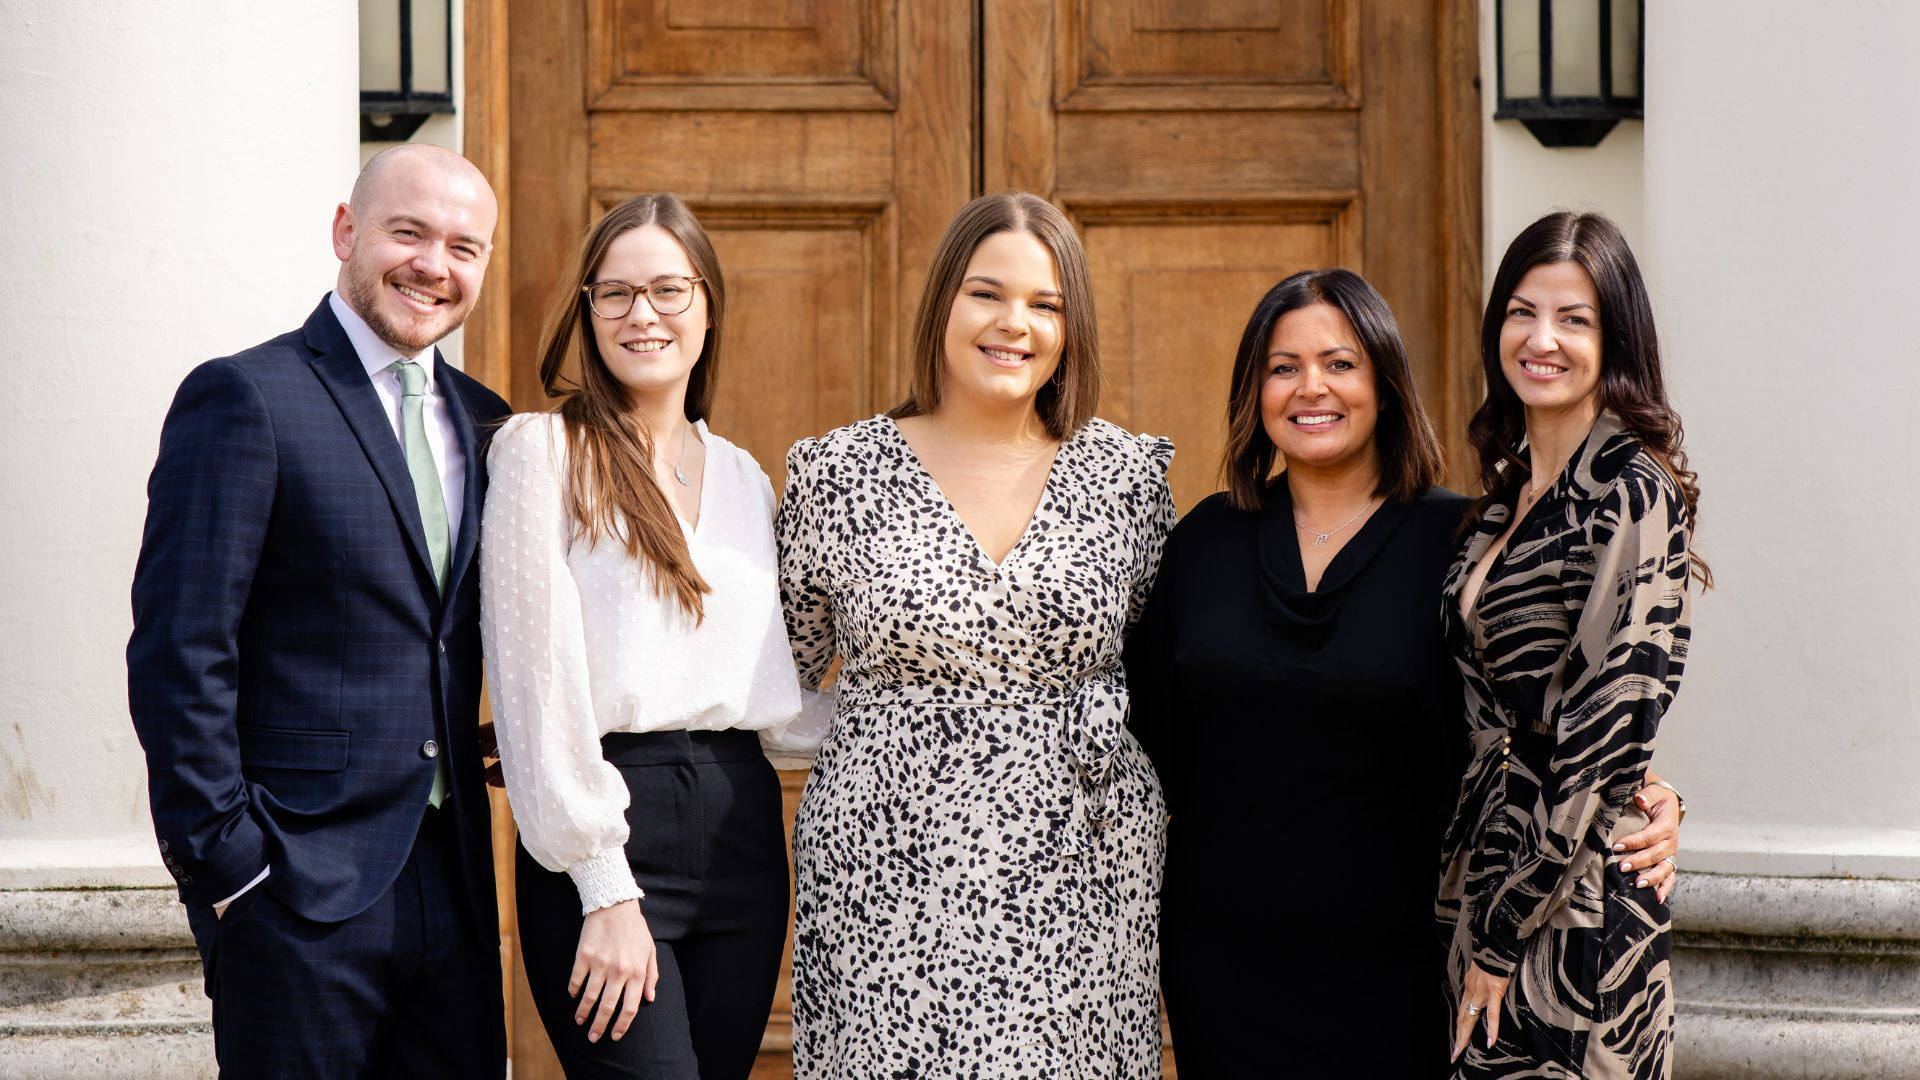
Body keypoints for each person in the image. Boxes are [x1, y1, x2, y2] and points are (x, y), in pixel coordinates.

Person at [1126, 268, 1684, 1077]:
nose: (1311, 388)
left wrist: (1653, 792)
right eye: (1284, 367)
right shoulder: (1206, 540)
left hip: (1408, 963)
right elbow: (1141, 742)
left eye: (1341, 363)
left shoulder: (1460, 542)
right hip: (1223, 961)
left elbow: (1544, 712)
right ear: (1255, 391)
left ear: (1385, 382)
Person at [127, 144, 510, 1077]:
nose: (435, 265)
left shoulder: (491, 420)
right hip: (290, 889)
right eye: (408, 232)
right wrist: (229, 869)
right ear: (347, 231)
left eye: (464, 246)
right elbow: (181, 649)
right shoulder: (247, 396)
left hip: (453, 885)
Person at [774, 192, 1175, 1077]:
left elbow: (1168, 672)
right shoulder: (839, 472)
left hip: (1081, 867)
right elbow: (783, 678)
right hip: (888, 873)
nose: (1014, 324)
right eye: (987, 294)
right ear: (943, 304)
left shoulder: (1125, 477)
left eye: (1046, 304)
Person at [482, 193, 810, 1078]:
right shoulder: (540, 454)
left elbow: (778, 702)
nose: (643, 315)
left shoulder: (745, 476)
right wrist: (604, 888)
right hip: (610, 824)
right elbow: (534, 683)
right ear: (587, 311)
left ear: (708, 304)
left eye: (669, 289)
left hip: (744, 830)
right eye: (615, 293)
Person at [1440, 211, 1704, 1077]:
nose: (1541, 338)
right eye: (1522, 312)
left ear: (1615, 338)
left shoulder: (1630, 493)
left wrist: (1502, 937)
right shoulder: (1505, 497)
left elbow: (1602, 736)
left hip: (1568, 904)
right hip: (1491, 877)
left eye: (1574, 319)